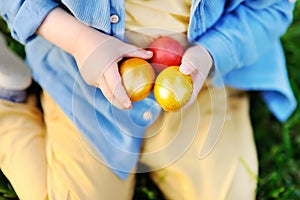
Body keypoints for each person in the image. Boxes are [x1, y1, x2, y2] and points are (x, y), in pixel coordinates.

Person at [0, 0, 297, 199]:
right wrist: (78, 40)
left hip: (197, 79)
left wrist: (211, 53)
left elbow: (269, 8)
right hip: (83, 71)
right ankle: (8, 105)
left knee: (227, 192)